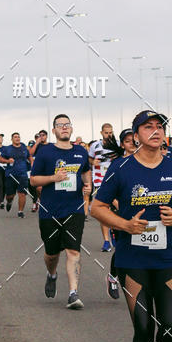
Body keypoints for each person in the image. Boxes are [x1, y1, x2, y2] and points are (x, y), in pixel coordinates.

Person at [91, 111, 172, 342]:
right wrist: (124, 226)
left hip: (168, 258)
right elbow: (96, 208)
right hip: (132, 258)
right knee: (142, 327)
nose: (155, 131)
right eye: (148, 127)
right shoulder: (121, 168)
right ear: (136, 135)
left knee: (171, 327)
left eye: (159, 126)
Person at [30, 114, 91, 309]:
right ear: (54, 130)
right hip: (50, 211)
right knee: (52, 253)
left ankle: (73, 293)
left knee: (73, 250)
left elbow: (85, 172)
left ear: (71, 129)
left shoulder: (81, 152)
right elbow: (33, 180)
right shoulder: (45, 152)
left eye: (67, 125)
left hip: (74, 209)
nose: (64, 128)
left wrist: (89, 187)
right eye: (59, 125)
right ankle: (52, 274)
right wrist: (53, 178)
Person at [105, 128, 138, 300]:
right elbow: (107, 193)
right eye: (127, 141)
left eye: (134, 140)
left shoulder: (146, 160)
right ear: (122, 144)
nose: (131, 143)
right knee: (124, 247)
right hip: (121, 213)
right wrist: (119, 205)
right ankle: (113, 277)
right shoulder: (117, 165)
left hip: (142, 211)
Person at [89, 123, 121, 251]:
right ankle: (106, 241)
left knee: (117, 209)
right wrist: (93, 162)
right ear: (101, 133)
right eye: (106, 132)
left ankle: (117, 233)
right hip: (99, 180)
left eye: (111, 132)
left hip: (115, 179)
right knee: (104, 210)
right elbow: (89, 159)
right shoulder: (95, 145)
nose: (109, 135)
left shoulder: (118, 144)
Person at [0, 132, 32, 217]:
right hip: (11, 175)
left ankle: (20, 211)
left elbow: (29, 156)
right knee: (10, 195)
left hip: (23, 175)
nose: (17, 138)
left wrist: (32, 163)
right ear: (12, 139)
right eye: (15, 137)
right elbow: (0, 159)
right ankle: (9, 202)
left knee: (22, 194)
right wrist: (7, 161)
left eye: (18, 137)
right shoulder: (8, 149)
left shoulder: (24, 148)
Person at [29, 130, 48, 211]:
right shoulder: (37, 146)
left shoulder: (51, 145)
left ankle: (47, 202)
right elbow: (30, 153)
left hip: (48, 168)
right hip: (39, 169)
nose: (42, 137)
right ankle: (40, 200)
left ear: (46, 136)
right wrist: (36, 143)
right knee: (39, 188)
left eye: (43, 135)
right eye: (40, 135)